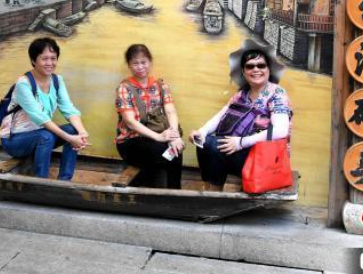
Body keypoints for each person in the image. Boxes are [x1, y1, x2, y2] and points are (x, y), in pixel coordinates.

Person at [189, 39, 292, 191]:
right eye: (250, 66)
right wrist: (201, 132)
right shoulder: (242, 94)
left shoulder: (277, 93)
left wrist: (241, 142)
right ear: (244, 72)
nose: (256, 69)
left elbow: (280, 130)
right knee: (204, 141)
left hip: (264, 159)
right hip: (239, 152)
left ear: (269, 69)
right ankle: (211, 187)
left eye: (261, 65)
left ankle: (214, 193)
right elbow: (221, 116)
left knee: (212, 144)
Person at [0, 37, 89, 180]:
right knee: (46, 136)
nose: (50, 63)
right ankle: (40, 182)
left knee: (73, 129)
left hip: (41, 135)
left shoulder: (57, 80)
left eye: (53, 58)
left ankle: (64, 180)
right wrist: (70, 139)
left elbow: (69, 109)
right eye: (44, 59)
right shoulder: (24, 84)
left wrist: (82, 133)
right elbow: (41, 118)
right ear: (33, 60)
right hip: (15, 140)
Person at [115, 44, 183, 188]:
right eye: (135, 63)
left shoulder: (160, 85)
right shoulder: (124, 88)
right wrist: (158, 137)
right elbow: (130, 122)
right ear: (129, 65)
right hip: (131, 141)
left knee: (176, 148)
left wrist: (174, 135)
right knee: (162, 151)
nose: (140, 67)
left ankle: (175, 192)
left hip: (158, 136)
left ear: (150, 62)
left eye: (143, 62)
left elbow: (171, 111)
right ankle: (140, 185)